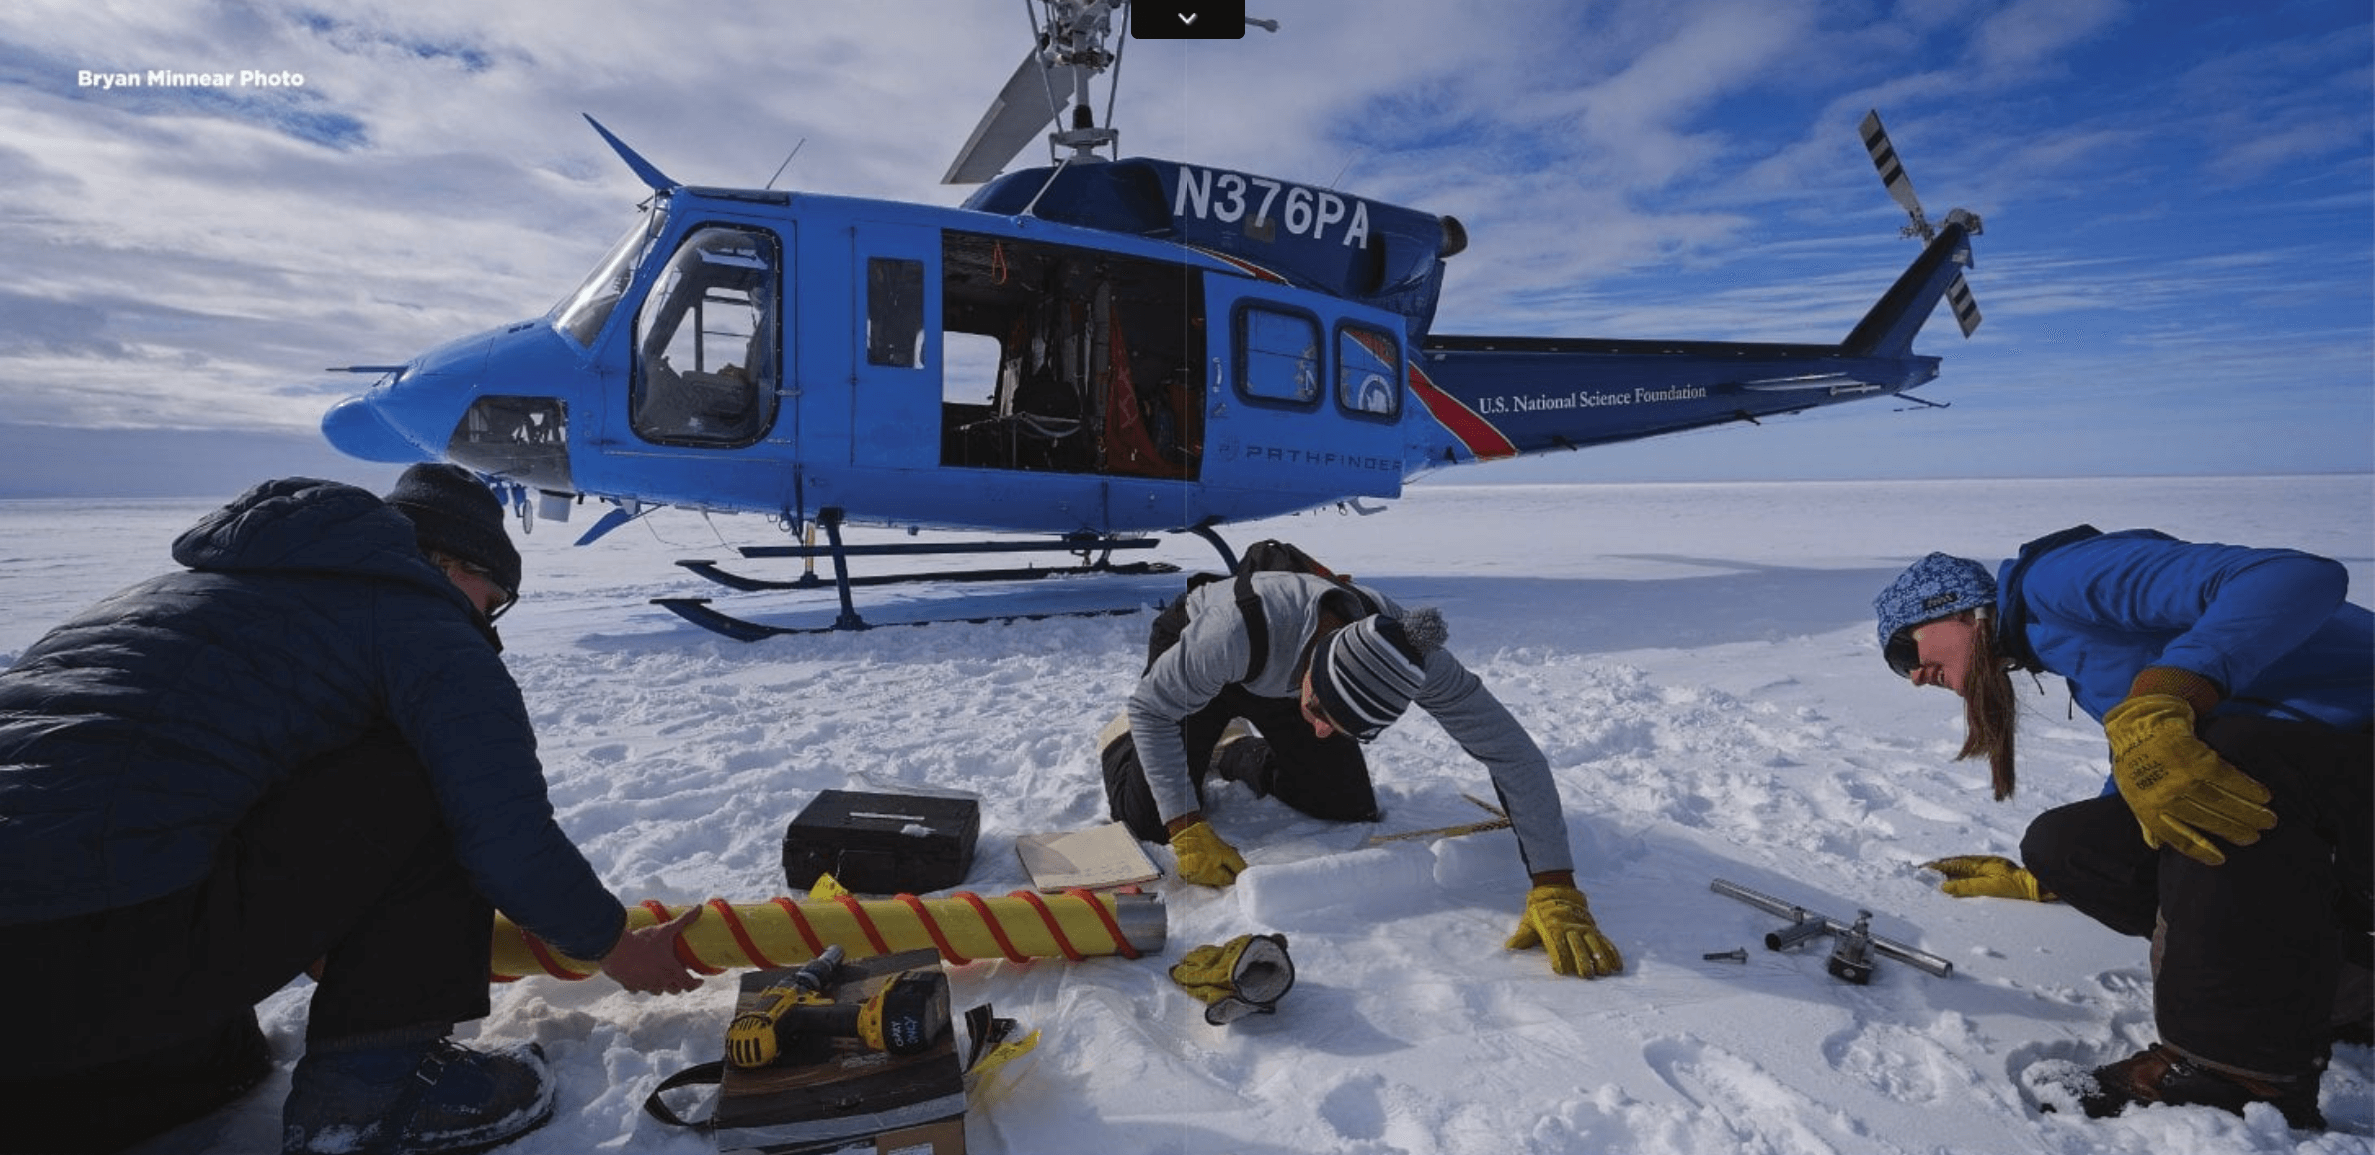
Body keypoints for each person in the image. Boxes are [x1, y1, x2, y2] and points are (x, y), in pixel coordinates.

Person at [0, 465, 705, 1155]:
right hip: (102, 939)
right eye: (491, 602)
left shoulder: (174, 597)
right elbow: (504, 833)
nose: (487, 626)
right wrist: (613, 942)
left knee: (225, 1062)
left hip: (35, 990)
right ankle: (376, 1089)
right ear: (447, 562)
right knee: (426, 767)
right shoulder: (421, 621)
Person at [1874, 527, 2372, 1129]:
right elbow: (2146, 780)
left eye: (1905, 653)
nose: (1914, 677)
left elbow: (2301, 576)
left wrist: (2174, 684)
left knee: (2229, 754)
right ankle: (2349, 991)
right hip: (2330, 789)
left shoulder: (2061, 581)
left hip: (2350, 748)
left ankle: (2239, 1070)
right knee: (2072, 844)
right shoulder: (2071, 661)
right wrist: (2051, 877)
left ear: (1947, 609)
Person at [1100, 560, 1622, 979]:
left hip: (1286, 679)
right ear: (1314, 671)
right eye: (1322, 715)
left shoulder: (1414, 658)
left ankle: (1233, 750)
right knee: (1148, 817)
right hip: (1212, 649)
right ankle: (1123, 741)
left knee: (1343, 802)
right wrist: (1185, 826)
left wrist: (1555, 885)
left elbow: (1513, 752)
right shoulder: (1228, 634)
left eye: (1341, 726)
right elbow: (1155, 709)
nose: (1323, 730)